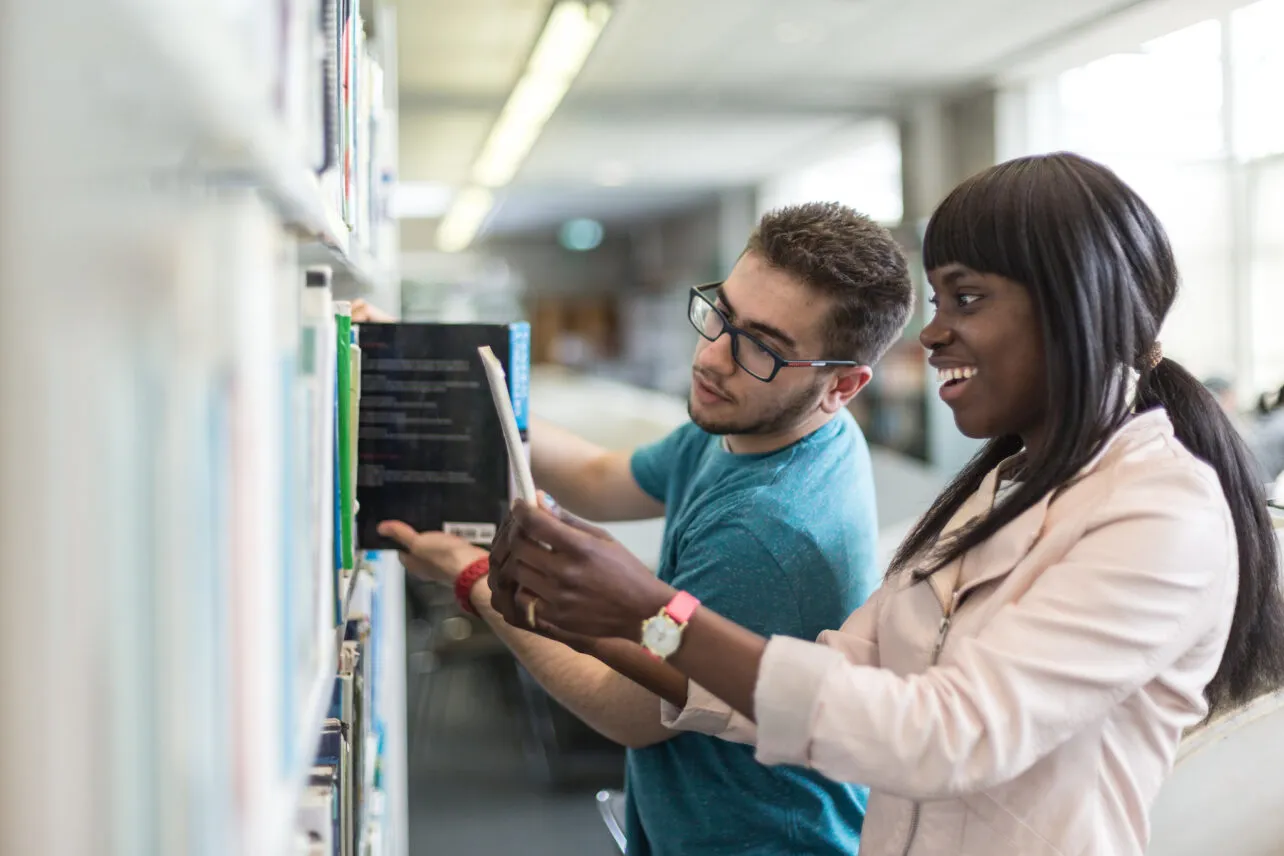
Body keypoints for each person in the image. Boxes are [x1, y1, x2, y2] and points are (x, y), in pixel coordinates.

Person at [491, 153, 1284, 856]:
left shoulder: (1160, 514)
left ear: (1073, 307)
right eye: (937, 301)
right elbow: (830, 680)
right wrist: (610, 617)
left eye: (965, 299)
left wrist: (653, 611)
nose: (931, 336)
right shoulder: (994, 488)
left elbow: (946, 735)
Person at [379, 202, 915, 855]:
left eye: (763, 348)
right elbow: (604, 476)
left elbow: (628, 710)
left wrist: (470, 574)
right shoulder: (751, 424)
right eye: (721, 316)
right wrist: (439, 377)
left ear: (843, 386)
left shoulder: (765, 529)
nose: (714, 358)